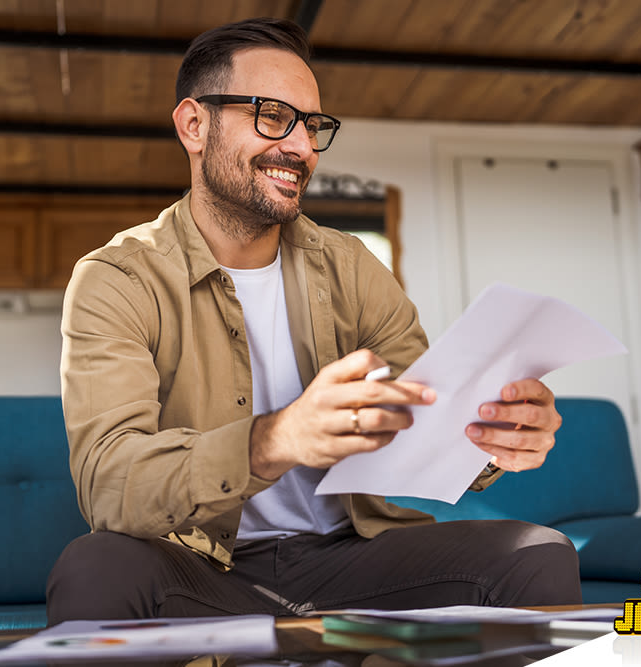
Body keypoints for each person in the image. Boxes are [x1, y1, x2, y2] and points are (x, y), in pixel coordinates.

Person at [47, 17, 581, 623]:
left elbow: (426, 413)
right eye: (272, 115)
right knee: (95, 567)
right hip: (202, 567)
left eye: (312, 125)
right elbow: (110, 486)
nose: (301, 147)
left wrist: (493, 437)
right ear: (194, 125)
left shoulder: (351, 265)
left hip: (350, 557)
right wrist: (277, 440)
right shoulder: (117, 278)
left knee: (536, 553)